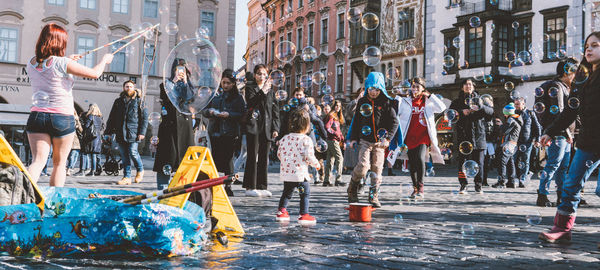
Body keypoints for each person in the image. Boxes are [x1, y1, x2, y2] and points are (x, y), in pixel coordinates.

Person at [25, 23, 113, 186]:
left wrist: (68, 61)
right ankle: (54, 207)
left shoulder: (30, 63)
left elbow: (50, 68)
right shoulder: (62, 62)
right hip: (61, 117)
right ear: (60, 42)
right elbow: (95, 73)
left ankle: (22, 198)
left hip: (37, 115)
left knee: (37, 162)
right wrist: (104, 60)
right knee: (59, 164)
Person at [538, 32, 600, 244]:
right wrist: (550, 131)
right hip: (590, 140)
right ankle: (562, 228)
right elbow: (569, 112)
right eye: (586, 46)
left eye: (595, 45)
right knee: (571, 183)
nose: (589, 49)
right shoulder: (582, 79)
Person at [346, 72, 399, 208]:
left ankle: (373, 195)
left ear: (381, 88)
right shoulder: (363, 102)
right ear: (367, 88)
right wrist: (353, 138)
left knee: (377, 169)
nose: (373, 92)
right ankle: (352, 188)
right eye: (370, 89)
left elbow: (394, 122)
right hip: (365, 140)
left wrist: (388, 139)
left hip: (380, 142)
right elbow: (356, 121)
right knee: (363, 166)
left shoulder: (387, 102)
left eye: (376, 89)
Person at [534, 58, 579, 207]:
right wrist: (567, 133)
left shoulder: (564, 87)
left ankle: (561, 195)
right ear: (567, 72)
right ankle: (542, 195)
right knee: (553, 165)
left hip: (564, 135)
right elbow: (559, 112)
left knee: (562, 167)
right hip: (559, 134)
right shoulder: (557, 86)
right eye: (574, 72)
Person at [396, 77, 446, 198]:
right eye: (413, 86)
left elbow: (442, 108)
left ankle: (421, 187)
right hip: (409, 136)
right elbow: (396, 112)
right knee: (412, 163)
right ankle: (415, 188)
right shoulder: (405, 101)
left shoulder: (428, 102)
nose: (415, 89)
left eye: (418, 87)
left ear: (423, 89)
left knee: (419, 158)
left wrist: (430, 96)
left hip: (423, 136)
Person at [202, 69, 246, 196]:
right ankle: (214, 184)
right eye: (223, 82)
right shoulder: (216, 96)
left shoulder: (238, 98)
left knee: (228, 160)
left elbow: (242, 114)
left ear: (233, 84)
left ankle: (228, 186)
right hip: (215, 132)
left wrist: (229, 115)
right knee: (214, 159)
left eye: (228, 83)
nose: (225, 85)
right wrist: (210, 112)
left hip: (230, 133)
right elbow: (204, 110)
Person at [153, 58, 195, 190]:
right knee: (166, 158)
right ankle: (162, 189)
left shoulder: (188, 86)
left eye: (183, 69)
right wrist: (174, 81)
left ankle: (181, 190)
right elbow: (165, 97)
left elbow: (190, 98)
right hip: (168, 127)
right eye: (178, 69)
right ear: (173, 70)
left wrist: (185, 82)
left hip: (184, 127)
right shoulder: (166, 84)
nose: (181, 72)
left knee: (183, 159)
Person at [276, 109, 320, 225]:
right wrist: (317, 164)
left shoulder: (284, 138)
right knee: (305, 194)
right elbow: (309, 156)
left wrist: (287, 163)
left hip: (287, 174)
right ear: (307, 125)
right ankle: (304, 214)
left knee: (286, 193)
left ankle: (281, 212)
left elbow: (279, 154)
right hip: (301, 174)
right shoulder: (306, 140)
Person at [449, 79, 493, 194]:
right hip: (463, 136)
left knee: (480, 163)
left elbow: (491, 112)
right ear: (462, 87)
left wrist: (481, 107)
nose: (468, 86)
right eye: (465, 84)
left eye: (470, 84)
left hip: (479, 136)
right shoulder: (457, 102)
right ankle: (463, 185)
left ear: (473, 87)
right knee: (462, 162)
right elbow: (449, 114)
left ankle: (478, 185)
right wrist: (461, 112)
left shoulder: (481, 100)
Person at [243, 64, 280, 197]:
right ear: (255, 75)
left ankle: (262, 185)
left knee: (264, 157)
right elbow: (251, 103)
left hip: (267, 127)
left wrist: (275, 128)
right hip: (254, 126)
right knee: (252, 156)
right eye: (259, 73)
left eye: (264, 74)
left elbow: (275, 110)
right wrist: (262, 91)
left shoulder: (271, 91)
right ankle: (249, 186)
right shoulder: (250, 88)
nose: (262, 76)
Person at [105, 80, 149, 185]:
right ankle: (127, 177)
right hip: (120, 132)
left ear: (134, 88)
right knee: (124, 156)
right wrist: (108, 132)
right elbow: (112, 117)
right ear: (123, 88)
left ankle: (140, 170)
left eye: (130, 86)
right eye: (126, 86)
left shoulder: (140, 101)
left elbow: (145, 118)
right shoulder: (118, 101)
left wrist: (142, 132)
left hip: (133, 132)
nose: (128, 88)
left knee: (133, 152)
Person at [492, 103, 523, 188]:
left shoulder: (511, 120)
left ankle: (501, 181)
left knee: (502, 161)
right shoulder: (516, 119)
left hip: (508, 143)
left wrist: (500, 125)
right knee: (510, 162)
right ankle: (511, 181)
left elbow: (505, 130)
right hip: (513, 143)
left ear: (507, 113)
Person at [514, 97, 542, 188]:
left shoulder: (530, 113)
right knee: (515, 160)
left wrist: (537, 140)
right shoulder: (513, 113)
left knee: (525, 161)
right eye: (515, 104)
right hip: (515, 141)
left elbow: (537, 127)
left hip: (527, 141)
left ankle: (523, 179)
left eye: (518, 104)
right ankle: (517, 177)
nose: (516, 106)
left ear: (523, 104)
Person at [323, 100, 346, 187]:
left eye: (339, 106)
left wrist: (342, 139)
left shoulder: (336, 116)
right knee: (340, 158)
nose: (338, 107)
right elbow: (327, 127)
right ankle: (338, 179)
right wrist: (335, 133)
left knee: (330, 160)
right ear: (333, 106)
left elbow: (338, 130)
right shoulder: (331, 115)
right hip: (332, 140)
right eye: (336, 105)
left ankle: (326, 180)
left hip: (333, 140)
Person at [80, 104, 103, 177]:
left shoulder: (90, 116)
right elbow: (102, 127)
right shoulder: (100, 117)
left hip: (91, 137)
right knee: (94, 154)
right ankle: (93, 171)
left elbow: (86, 126)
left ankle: (84, 170)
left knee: (86, 153)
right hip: (98, 137)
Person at [66, 112, 83, 176]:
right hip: (69, 140)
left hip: (76, 141)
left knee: (75, 155)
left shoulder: (77, 121)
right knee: (71, 156)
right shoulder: (67, 120)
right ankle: (69, 168)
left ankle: (70, 168)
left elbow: (81, 130)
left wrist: (78, 121)